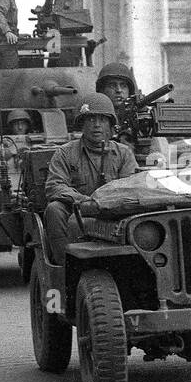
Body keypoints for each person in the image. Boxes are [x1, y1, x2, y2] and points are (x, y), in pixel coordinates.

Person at [42, 95, 137, 265]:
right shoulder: (65, 153)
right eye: (91, 119)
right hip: (77, 209)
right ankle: (65, 266)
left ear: (110, 125)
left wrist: (105, 203)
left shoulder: (124, 154)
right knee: (54, 209)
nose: (96, 124)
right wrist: (84, 201)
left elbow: (130, 187)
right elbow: (54, 186)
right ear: (82, 124)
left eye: (102, 119)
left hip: (114, 210)